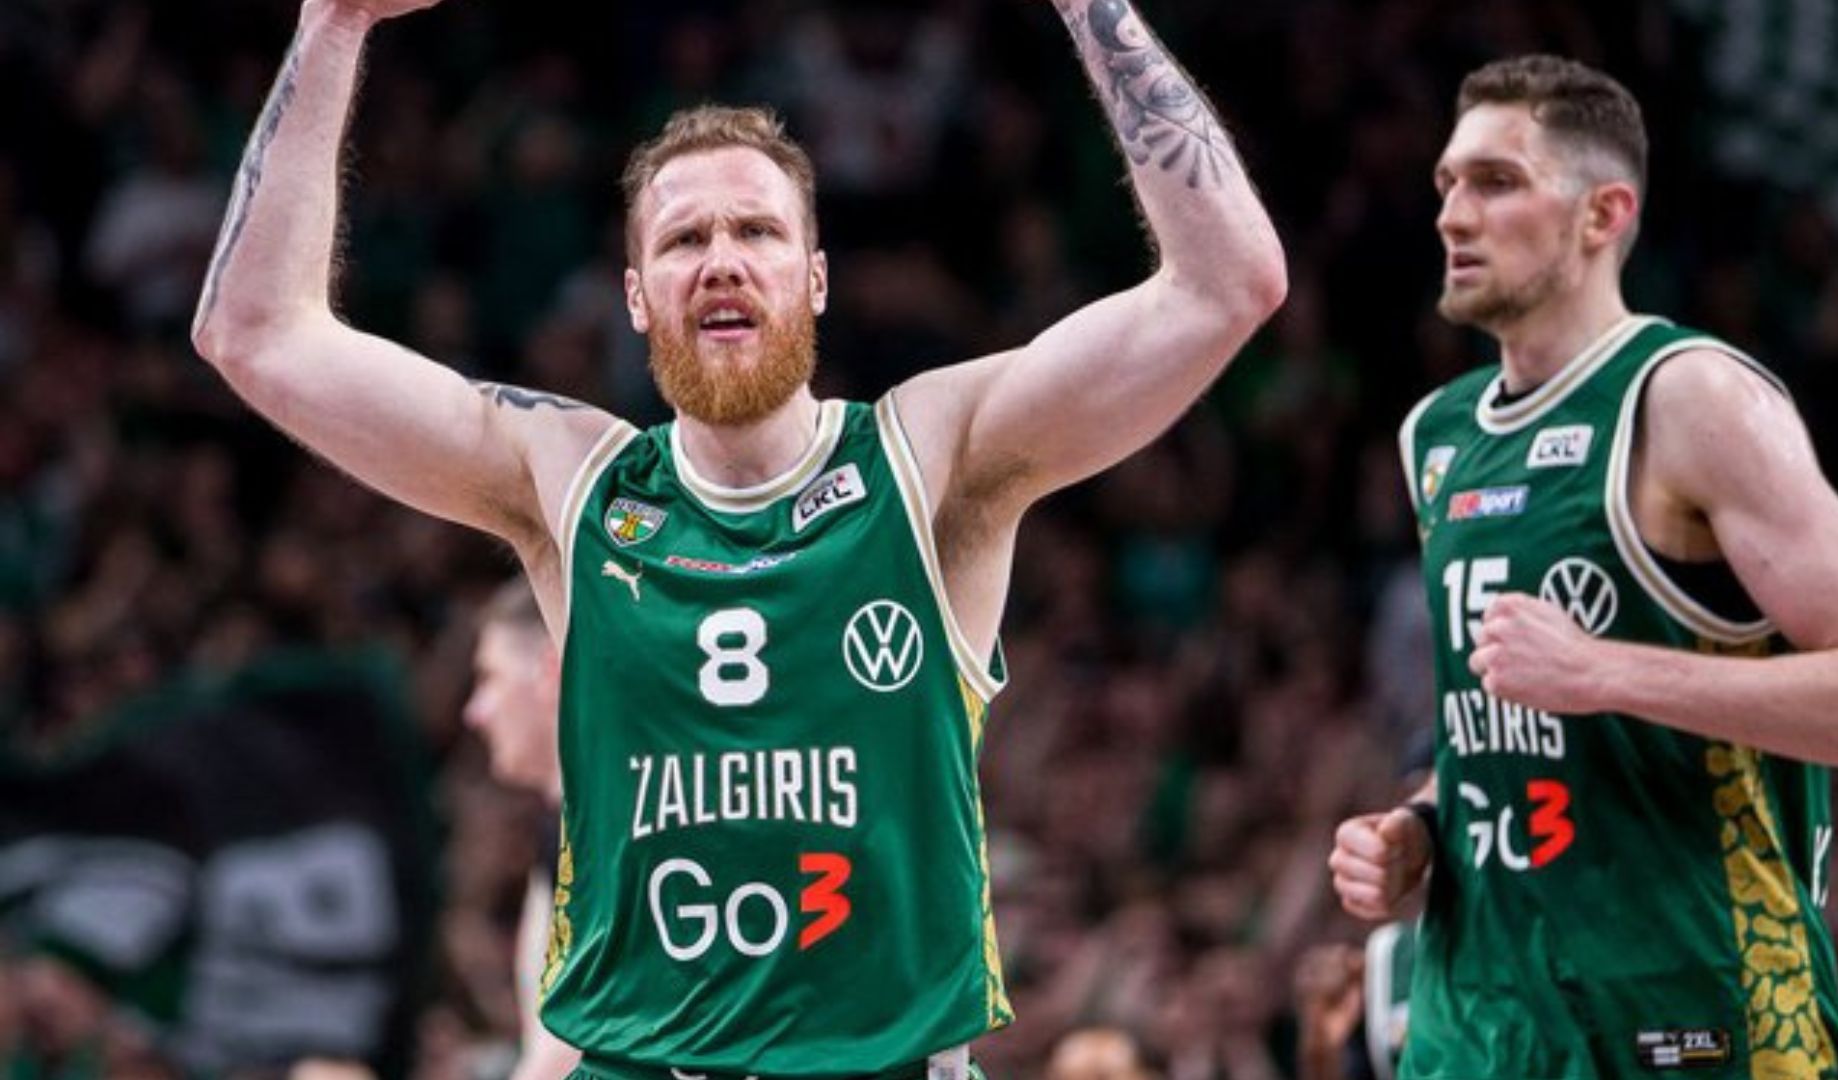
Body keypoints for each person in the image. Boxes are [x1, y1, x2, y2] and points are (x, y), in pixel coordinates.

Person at [190, 0, 1286, 1076]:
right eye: (684, 240)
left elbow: (1226, 285)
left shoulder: (931, 462)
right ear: (636, 298)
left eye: (758, 231)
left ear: (815, 280)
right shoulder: (572, 482)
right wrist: (332, 23)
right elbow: (256, 333)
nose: (722, 260)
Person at [1327, 55, 1838, 1079]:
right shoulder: (1438, 436)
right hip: (1484, 1024)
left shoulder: (1690, 400)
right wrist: (1422, 824)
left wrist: (1608, 671)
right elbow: (1512, 732)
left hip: (1692, 1014)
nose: (1453, 215)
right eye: (1447, 184)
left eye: (1496, 183)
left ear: (1603, 214)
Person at [462, 578, 581, 1080]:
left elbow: (572, 1045)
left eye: (490, 678)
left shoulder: (605, 830)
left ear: (549, 671)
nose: (474, 712)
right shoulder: (558, 829)